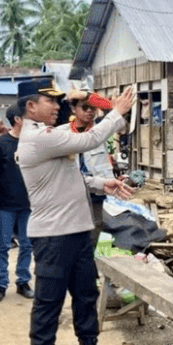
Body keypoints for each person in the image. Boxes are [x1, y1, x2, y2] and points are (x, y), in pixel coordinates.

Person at [17, 79, 135, 345]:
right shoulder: (37, 138)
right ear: (31, 107)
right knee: (48, 301)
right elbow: (91, 138)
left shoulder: (50, 138)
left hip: (79, 230)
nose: (57, 106)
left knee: (86, 296)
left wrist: (100, 184)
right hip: (52, 237)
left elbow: (69, 175)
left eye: (59, 101)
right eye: (50, 101)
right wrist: (117, 111)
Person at [59, 90, 118, 244]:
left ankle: (91, 262)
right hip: (71, 190)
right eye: (85, 107)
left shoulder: (100, 130)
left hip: (97, 190)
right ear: (73, 109)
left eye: (93, 108)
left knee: (95, 229)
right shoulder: (62, 133)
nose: (90, 111)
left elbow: (111, 109)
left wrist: (87, 95)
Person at [0, 104, 34, 301]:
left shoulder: (33, 142)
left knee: (26, 245)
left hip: (28, 203)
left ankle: (23, 281)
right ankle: (0, 285)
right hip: (4, 204)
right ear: (17, 119)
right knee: (2, 246)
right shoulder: (0, 143)